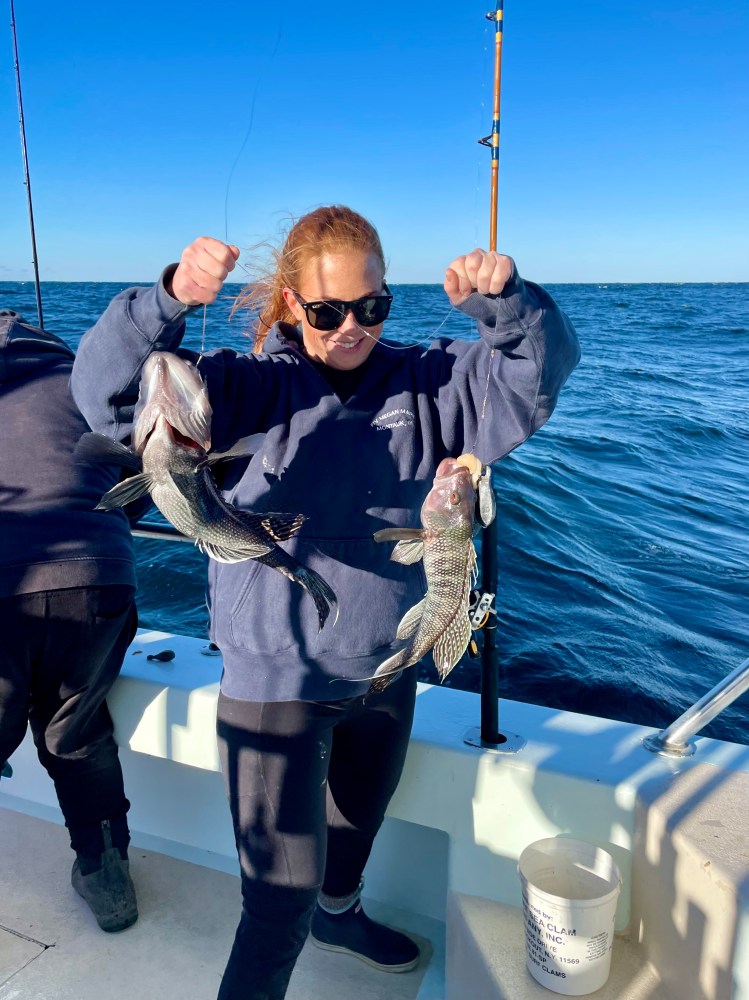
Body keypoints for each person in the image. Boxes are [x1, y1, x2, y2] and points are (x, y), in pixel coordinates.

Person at [71, 206, 580, 998]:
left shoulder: (434, 380)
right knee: (277, 900)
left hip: (385, 670)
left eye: (371, 308)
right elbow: (105, 400)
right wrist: (167, 299)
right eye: (328, 311)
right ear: (288, 304)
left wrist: (507, 304)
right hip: (277, 684)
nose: (352, 328)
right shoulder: (243, 388)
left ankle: (340, 915)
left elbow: (536, 379)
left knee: (354, 834)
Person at [0, 310, 139, 933]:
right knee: (74, 736)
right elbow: (135, 483)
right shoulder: (86, 382)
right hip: (99, 574)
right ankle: (106, 875)